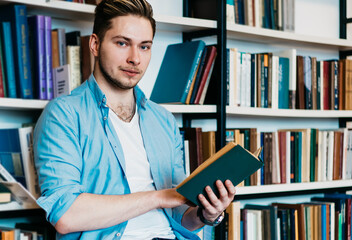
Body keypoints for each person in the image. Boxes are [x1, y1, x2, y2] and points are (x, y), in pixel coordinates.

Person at [33, 0, 236, 239]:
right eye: (122, 43)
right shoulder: (63, 115)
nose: (135, 58)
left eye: (144, 47)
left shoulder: (163, 120)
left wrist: (206, 214)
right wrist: (159, 197)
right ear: (95, 44)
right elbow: (66, 216)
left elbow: (182, 215)